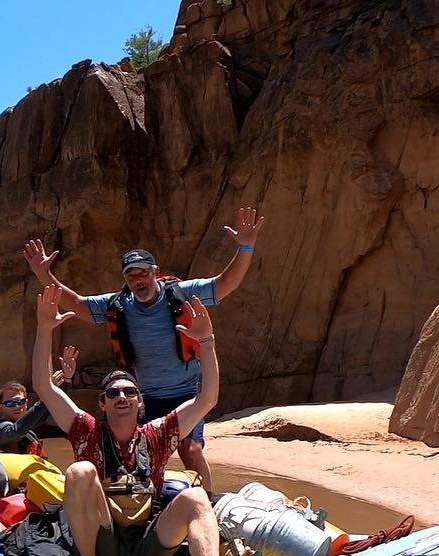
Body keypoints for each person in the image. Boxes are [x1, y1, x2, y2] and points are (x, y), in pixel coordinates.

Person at [31, 284, 254, 556]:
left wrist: (206, 341)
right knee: (80, 471)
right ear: (102, 404)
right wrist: (44, 329)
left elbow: (206, 399)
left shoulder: (157, 434)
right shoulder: (87, 430)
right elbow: (44, 386)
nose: (121, 396)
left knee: (195, 497)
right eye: (113, 393)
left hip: (149, 549)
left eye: (129, 392)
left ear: (140, 403)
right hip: (103, 548)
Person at [22, 205, 264, 489]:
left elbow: (226, 284)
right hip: (144, 397)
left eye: (143, 272)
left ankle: (207, 501)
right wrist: (43, 276)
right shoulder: (118, 304)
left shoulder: (182, 293)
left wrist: (245, 248)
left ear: (155, 272)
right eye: (131, 275)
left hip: (187, 391)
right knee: (132, 456)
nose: (138, 279)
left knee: (190, 450)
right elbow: (76, 303)